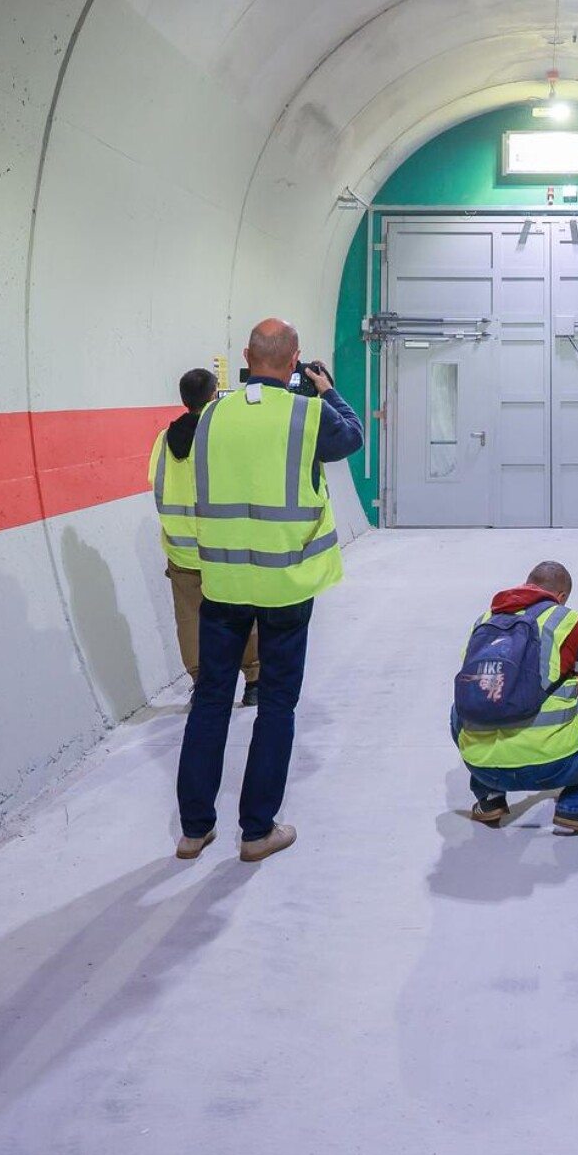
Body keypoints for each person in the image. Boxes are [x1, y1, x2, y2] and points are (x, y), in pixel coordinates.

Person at [174, 319, 363, 863]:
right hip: (283, 585)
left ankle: (193, 830)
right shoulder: (307, 413)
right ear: (296, 359)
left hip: (224, 582)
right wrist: (326, 388)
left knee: (211, 700)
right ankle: (257, 831)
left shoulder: (210, 414)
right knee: (276, 704)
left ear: (246, 356)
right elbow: (350, 436)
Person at [452, 561, 578, 834]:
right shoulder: (571, 622)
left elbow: (472, 688)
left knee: (464, 704)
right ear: (561, 597)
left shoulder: (484, 621)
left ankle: (489, 798)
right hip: (555, 765)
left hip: (484, 766)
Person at [149, 367, 259, 707]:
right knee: (242, 612)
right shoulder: (223, 434)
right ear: (214, 396)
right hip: (224, 545)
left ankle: (202, 682)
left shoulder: (164, 439)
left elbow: (155, 480)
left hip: (182, 549)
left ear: (184, 400)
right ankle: (254, 678)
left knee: (190, 619)